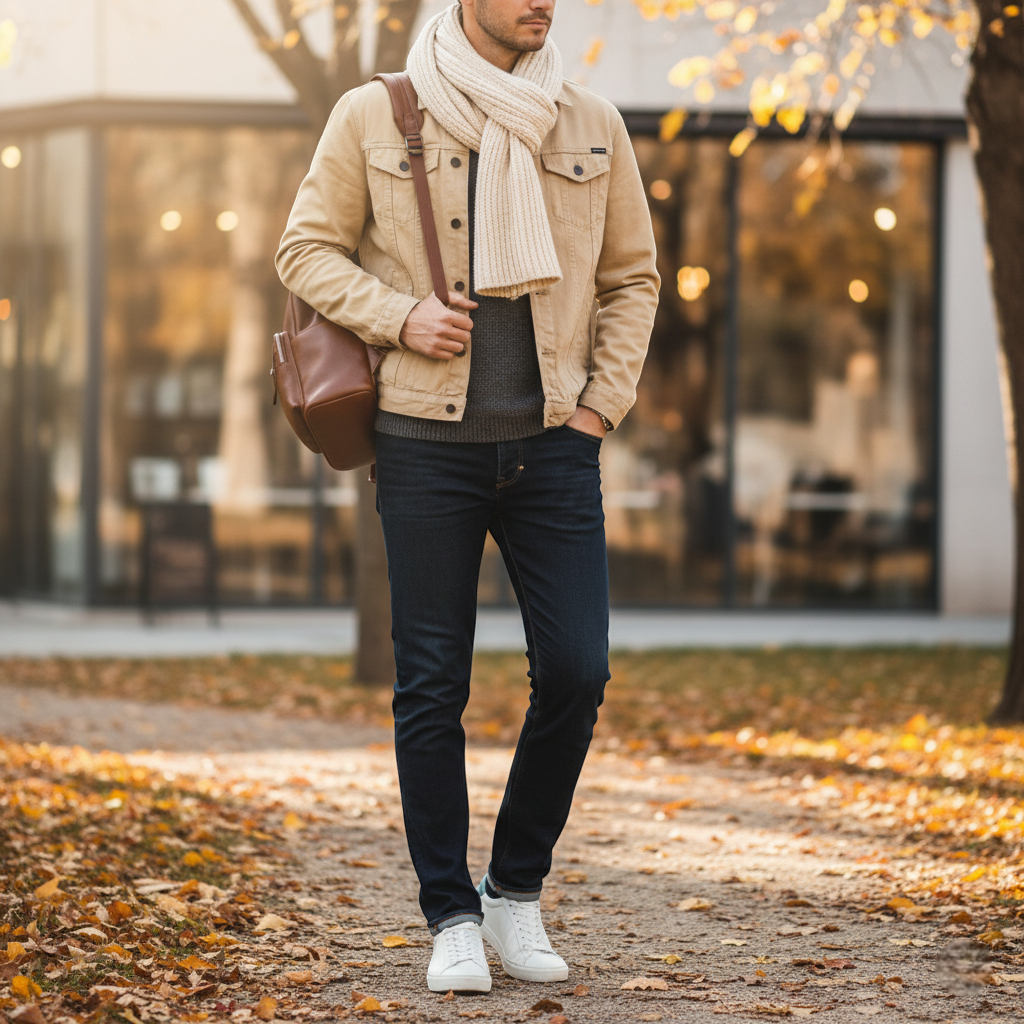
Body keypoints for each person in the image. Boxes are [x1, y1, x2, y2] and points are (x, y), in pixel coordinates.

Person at [277, 0, 659, 994]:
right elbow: (305, 252)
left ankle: (514, 889)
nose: (541, 4)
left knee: (578, 668)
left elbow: (632, 280)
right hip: (423, 444)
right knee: (432, 686)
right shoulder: (375, 114)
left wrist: (597, 411)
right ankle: (449, 910)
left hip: (554, 446)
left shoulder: (589, 122)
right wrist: (400, 315)